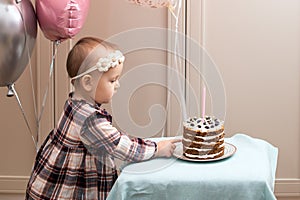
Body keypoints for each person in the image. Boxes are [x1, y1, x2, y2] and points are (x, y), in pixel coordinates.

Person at [26, 37, 180, 200]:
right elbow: (121, 146)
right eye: (112, 80)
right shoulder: (90, 120)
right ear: (87, 83)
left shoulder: (74, 104)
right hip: (66, 192)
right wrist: (157, 149)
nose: (117, 85)